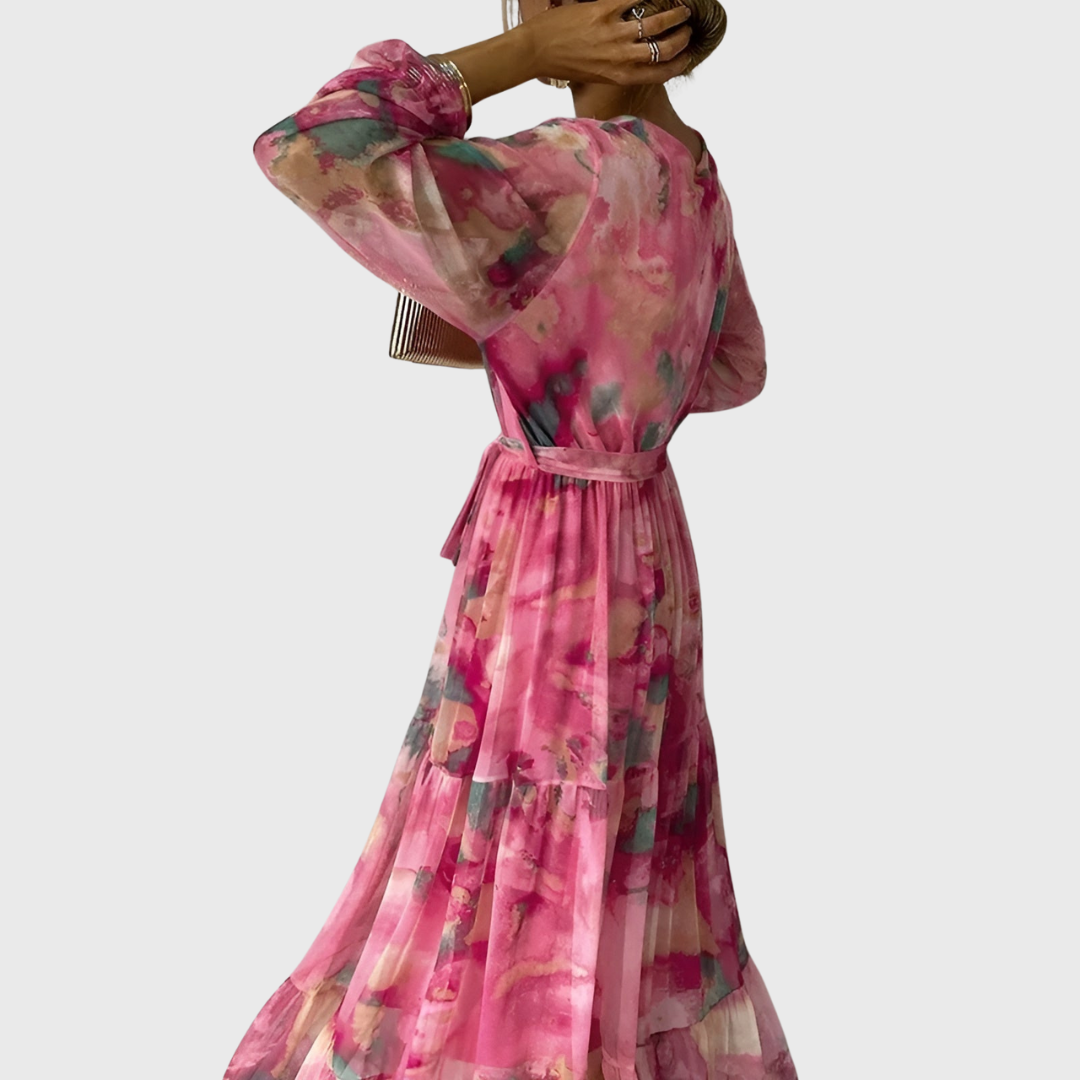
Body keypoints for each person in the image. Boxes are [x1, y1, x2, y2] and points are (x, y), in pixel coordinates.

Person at [225, 1, 796, 1077]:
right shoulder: (691, 169)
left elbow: (306, 146)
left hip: (551, 555)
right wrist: (577, 333)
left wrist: (517, 58)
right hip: (647, 549)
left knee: (515, 823)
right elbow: (733, 366)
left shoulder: (566, 165)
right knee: (621, 829)